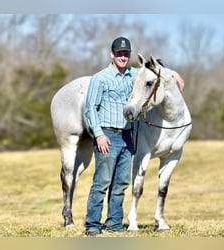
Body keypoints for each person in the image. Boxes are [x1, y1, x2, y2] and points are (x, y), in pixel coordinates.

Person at [84, 36, 185, 236]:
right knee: (102, 182)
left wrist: (175, 74)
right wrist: (98, 135)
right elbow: (90, 110)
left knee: (121, 183)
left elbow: (155, 72)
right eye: (119, 53)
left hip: (128, 136)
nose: (122, 57)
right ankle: (93, 225)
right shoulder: (101, 78)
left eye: (125, 54)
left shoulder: (133, 73)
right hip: (107, 135)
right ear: (111, 55)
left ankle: (114, 224)